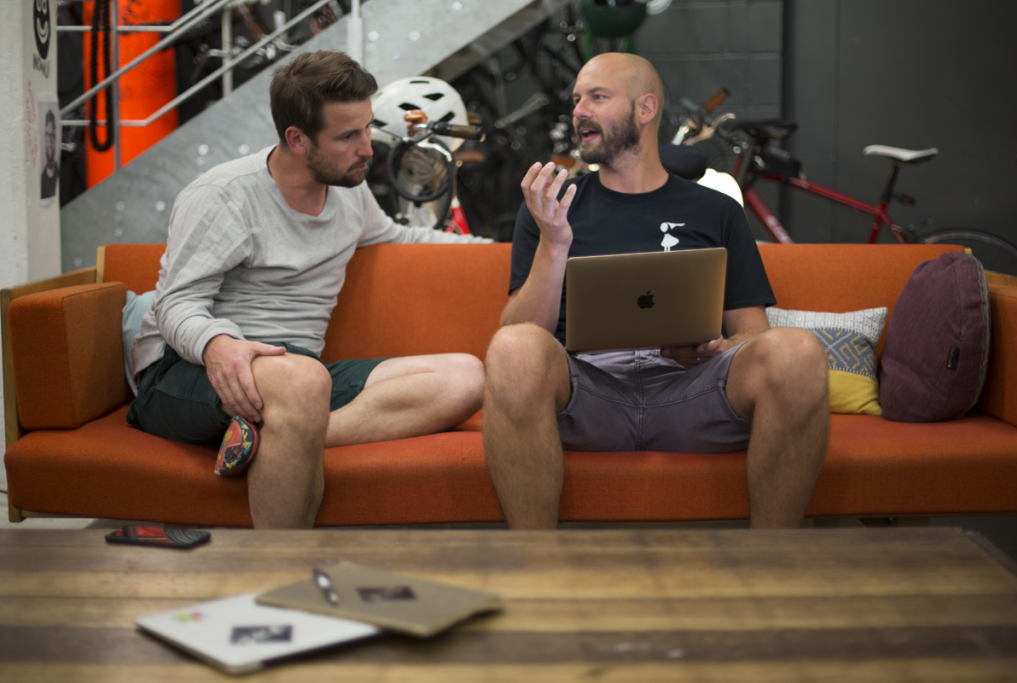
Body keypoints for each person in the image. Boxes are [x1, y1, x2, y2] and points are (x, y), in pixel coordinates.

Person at [128, 51, 489, 529]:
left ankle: (281, 432)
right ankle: (281, 564)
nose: (368, 149)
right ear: (297, 139)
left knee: (467, 376)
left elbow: (399, 237)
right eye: (348, 136)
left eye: (366, 128)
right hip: (187, 373)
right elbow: (176, 302)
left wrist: (511, 250)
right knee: (301, 381)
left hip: (301, 376)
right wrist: (218, 344)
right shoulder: (224, 195)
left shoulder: (349, 190)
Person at [482, 53, 830, 530]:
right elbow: (519, 333)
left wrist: (717, 348)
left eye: (597, 97)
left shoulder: (717, 210)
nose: (578, 111)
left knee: (797, 351)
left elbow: (753, 331)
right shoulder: (552, 207)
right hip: (589, 395)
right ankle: (535, 562)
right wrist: (554, 242)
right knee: (513, 347)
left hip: (692, 393)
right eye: (576, 99)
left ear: (645, 109)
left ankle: (774, 557)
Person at [40, 110, 59, 201]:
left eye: (52, 136)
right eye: (48, 135)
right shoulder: (42, 177)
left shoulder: (58, 171)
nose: (50, 142)